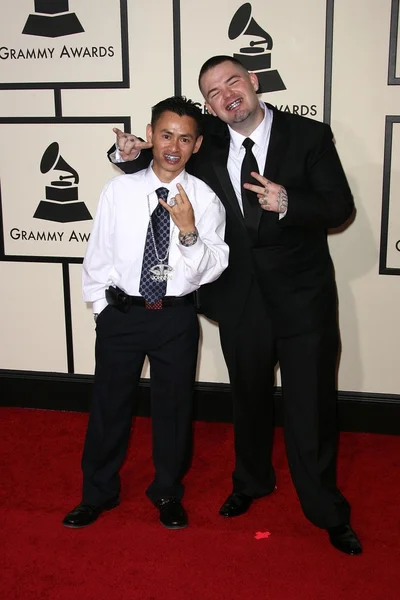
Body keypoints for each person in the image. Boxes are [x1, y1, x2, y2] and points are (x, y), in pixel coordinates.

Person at [107, 56, 362, 555]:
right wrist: (126, 155)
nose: (226, 95)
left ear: (254, 83)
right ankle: (250, 482)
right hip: (239, 298)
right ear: (208, 106)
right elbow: (162, 162)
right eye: (212, 92)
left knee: (311, 404)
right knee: (247, 399)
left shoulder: (308, 135)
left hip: (302, 299)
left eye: (232, 82)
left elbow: (339, 207)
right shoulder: (206, 141)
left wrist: (289, 202)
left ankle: (324, 507)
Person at [62, 96, 228, 531]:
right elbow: (98, 255)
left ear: (196, 146)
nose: (174, 146)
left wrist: (188, 230)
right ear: (151, 135)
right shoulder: (118, 190)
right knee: (108, 407)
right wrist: (103, 310)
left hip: (174, 318)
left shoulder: (205, 199)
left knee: (174, 411)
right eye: (167, 134)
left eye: (185, 138)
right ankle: (97, 493)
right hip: (123, 316)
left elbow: (211, 269)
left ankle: (168, 492)